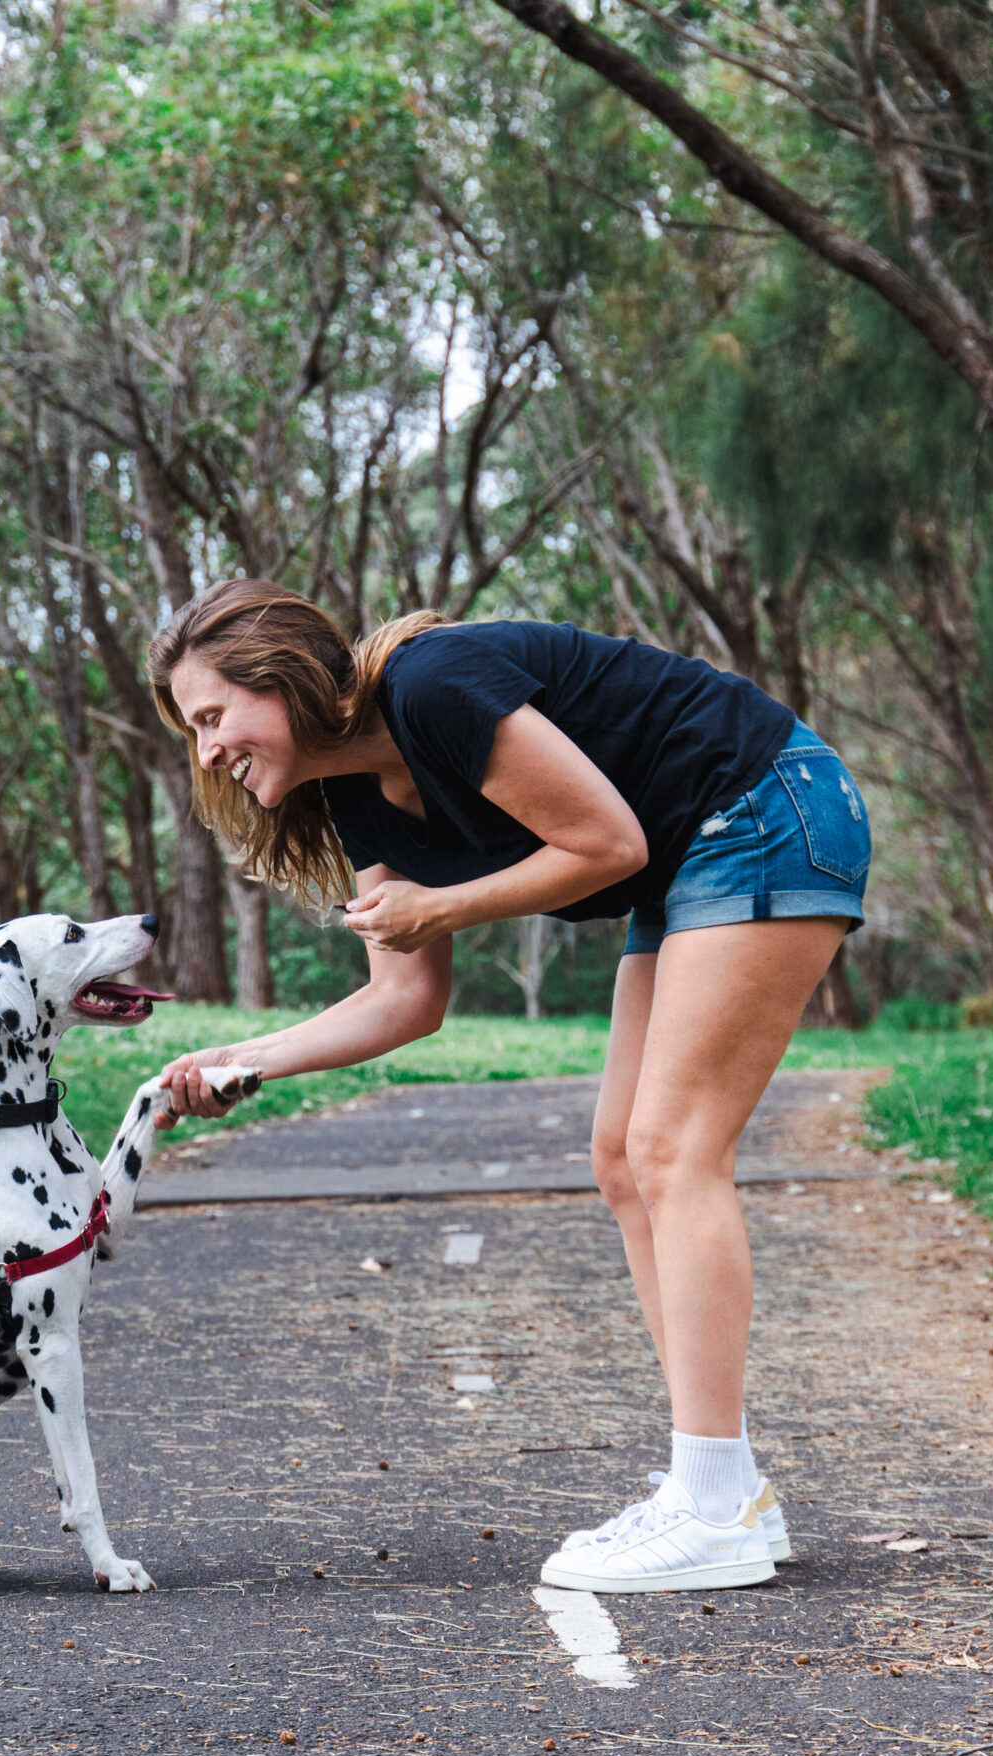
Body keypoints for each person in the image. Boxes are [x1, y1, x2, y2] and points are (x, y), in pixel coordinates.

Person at [148, 580, 870, 1594]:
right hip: (689, 851)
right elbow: (403, 997)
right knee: (623, 1159)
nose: (209, 749)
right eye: (196, 732)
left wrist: (440, 905)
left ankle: (714, 1505)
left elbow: (605, 845)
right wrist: (245, 1060)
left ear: (277, 678)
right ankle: (721, 1484)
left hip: (759, 804)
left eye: (213, 716)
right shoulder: (355, 794)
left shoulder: (431, 685)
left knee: (673, 1148)